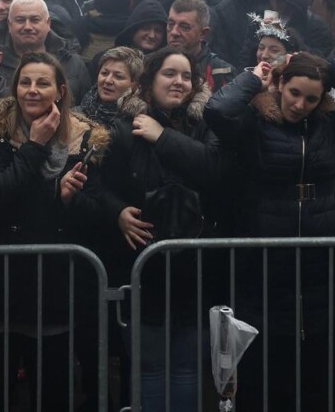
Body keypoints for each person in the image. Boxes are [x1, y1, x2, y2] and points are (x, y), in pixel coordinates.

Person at [205, 51, 335, 408]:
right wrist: (254, 78)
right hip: (265, 264)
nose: (300, 104)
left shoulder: (332, 125)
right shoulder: (256, 122)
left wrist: (322, 63)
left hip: (324, 267)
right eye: (294, 93)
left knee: (320, 378)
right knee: (266, 376)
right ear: (280, 85)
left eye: (311, 98)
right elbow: (217, 111)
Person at [0, 51, 109, 411]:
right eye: (25, 82)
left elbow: (98, 213)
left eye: (42, 83)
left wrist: (67, 200)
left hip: (53, 287)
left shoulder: (86, 140)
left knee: (52, 392)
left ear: (60, 91)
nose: (32, 90)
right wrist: (34, 146)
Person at [97, 48, 220, 412]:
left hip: (194, 273)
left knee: (186, 370)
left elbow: (215, 171)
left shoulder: (206, 125)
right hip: (141, 270)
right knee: (148, 371)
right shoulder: (124, 128)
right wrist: (117, 211)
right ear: (149, 81)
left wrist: (162, 136)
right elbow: (96, 186)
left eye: (186, 76)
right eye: (169, 73)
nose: (178, 82)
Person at [0, 0, 90, 102]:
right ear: (9, 25)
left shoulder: (73, 63)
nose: (27, 27)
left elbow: (86, 107)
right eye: (20, 20)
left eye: (35, 20)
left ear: (48, 23)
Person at [166, 0, 235, 91]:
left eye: (184, 27)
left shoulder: (221, 72)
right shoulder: (150, 66)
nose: (174, 32)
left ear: (203, 33)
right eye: (171, 24)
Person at [75, 46, 143, 134]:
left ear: (134, 84)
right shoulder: (74, 115)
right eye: (104, 73)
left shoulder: (138, 124)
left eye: (118, 76)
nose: (108, 80)